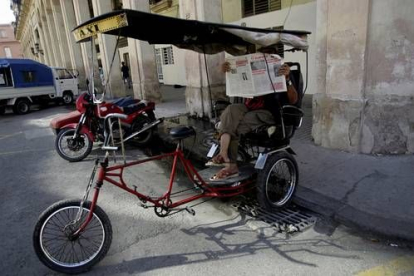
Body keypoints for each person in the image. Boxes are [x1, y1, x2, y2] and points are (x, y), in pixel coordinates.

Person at [209, 58, 299, 181]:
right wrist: (228, 72)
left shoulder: (282, 70)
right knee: (230, 111)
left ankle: (231, 166)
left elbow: (294, 100)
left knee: (237, 125)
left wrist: (288, 79)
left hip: (269, 112)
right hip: (249, 106)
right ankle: (223, 153)